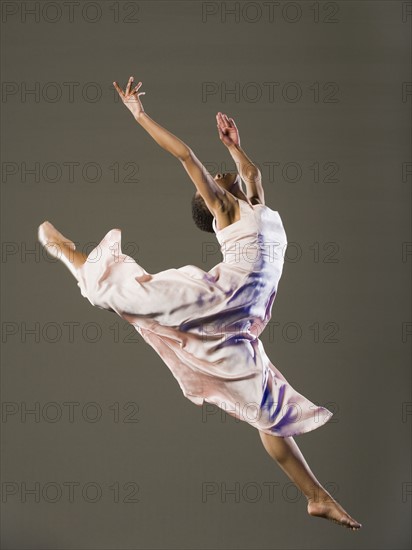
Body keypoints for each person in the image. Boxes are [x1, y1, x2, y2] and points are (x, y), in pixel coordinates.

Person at [37, 76, 362, 530]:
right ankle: (72, 255)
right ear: (210, 203)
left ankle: (316, 497)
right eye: (212, 182)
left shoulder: (253, 202)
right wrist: (140, 114)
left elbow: (253, 174)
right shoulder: (226, 210)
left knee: (267, 410)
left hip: (241, 321)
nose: (220, 174)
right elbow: (185, 155)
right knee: (137, 292)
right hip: (218, 296)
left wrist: (234, 145)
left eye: (221, 174)